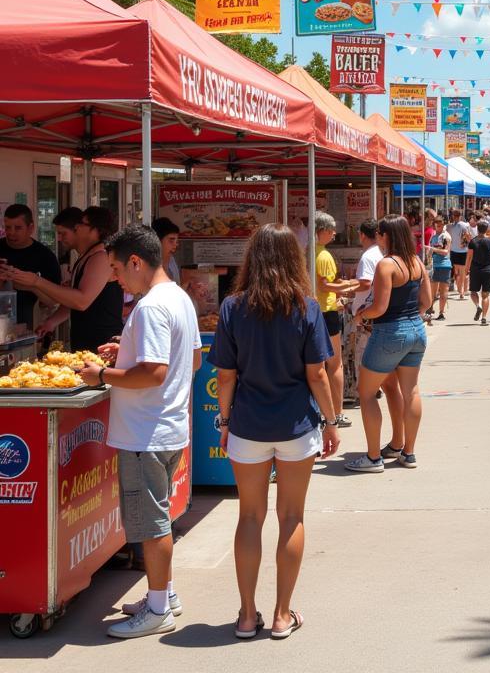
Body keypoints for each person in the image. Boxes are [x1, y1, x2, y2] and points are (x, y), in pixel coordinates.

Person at [208, 223, 339, 639]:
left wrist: (225, 422)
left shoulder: (232, 308)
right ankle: (283, 615)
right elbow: (317, 373)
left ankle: (247, 615)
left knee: (249, 516)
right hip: (297, 424)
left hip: (248, 424)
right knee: (292, 516)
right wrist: (332, 421)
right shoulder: (306, 307)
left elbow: (225, 376)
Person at [76, 224, 201, 638]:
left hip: (145, 433)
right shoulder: (177, 298)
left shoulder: (150, 307)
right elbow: (193, 360)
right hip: (166, 428)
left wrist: (103, 375)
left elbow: (153, 372)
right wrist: (126, 350)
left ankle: (159, 608)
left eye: (116, 268)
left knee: (151, 525)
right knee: (157, 517)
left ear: (136, 261)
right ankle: (163, 595)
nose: (114, 277)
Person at [346, 216, 431, 473]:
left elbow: (379, 307)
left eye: (380, 235)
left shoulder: (387, 265)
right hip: (416, 331)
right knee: (411, 392)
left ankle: (373, 458)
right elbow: (426, 302)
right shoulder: (416, 262)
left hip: (389, 333)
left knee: (366, 392)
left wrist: (360, 314)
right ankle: (408, 451)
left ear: (385, 236)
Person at [12, 206, 121, 352]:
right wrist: (50, 323)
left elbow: (81, 301)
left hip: (103, 345)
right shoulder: (87, 256)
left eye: (82, 223)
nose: (77, 226)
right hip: (86, 344)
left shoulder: (101, 256)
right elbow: (72, 301)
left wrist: (36, 282)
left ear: (96, 230)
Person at [313, 212, 352, 429]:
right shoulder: (324, 255)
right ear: (323, 231)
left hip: (311, 311)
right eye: (331, 230)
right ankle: (337, 412)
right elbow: (325, 286)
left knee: (314, 365)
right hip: (327, 312)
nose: (334, 234)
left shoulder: (306, 252)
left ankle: (320, 409)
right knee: (334, 364)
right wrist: (350, 286)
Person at [0, 204, 61, 330]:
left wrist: (32, 285)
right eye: (7, 227)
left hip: (27, 327)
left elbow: (54, 302)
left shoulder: (45, 257)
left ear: (31, 227)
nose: (11, 233)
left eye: (17, 228)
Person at [467, 222, 490, 326]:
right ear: (487, 229)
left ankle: (478, 305)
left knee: (473, 292)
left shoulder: (473, 241)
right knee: (485, 295)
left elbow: (469, 257)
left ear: (477, 229)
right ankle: (484, 318)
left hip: (475, 269)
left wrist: (467, 268)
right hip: (488, 269)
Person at [427, 215, 452, 320]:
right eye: (437, 226)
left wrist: (432, 249)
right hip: (435, 265)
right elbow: (431, 251)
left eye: (441, 225)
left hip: (444, 265)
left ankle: (441, 313)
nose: (439, 228)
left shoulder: (445, 236)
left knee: (443, 291)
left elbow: (446, 252)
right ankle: (430, 309)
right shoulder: (433, 236)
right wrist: (429, 253)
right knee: (432, 291)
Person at [446, 209, 472, 300]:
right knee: (462, 272)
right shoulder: (465, 225)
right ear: (460, 216)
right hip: (463, 251)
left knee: (456, 273)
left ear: (453, 216)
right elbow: (469, 239)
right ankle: (462, 292)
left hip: (453, 251)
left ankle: (460, 290)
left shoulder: (449, 226)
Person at [151, 217, 182, 283]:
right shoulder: (147, 265)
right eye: (171, 240)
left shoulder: (171, 260)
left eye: (176, 241)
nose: (175, 245)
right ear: (158, 241)